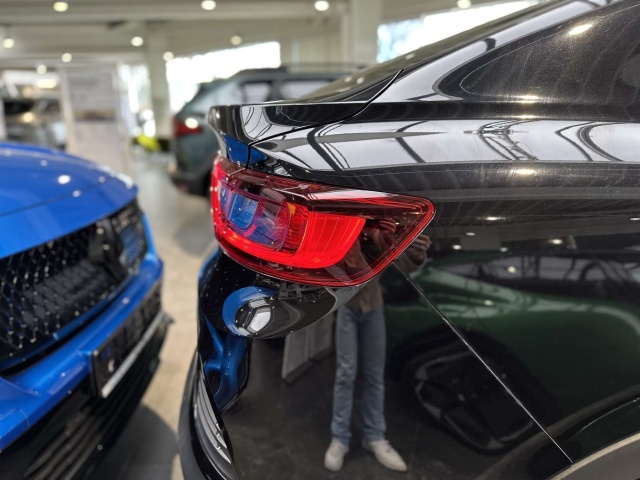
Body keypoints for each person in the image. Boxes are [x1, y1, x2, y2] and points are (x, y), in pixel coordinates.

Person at [324, 226, 431, 473]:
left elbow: (403, 264)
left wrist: (414, 253)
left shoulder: (380, 229)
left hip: (373, 305)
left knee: (374, 374)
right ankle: (339, 438)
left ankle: (374, 437)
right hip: (348, 306)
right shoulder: (347, 228)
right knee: (345, 373)